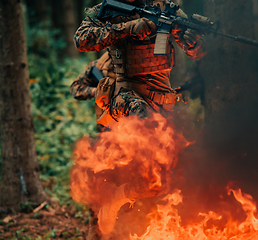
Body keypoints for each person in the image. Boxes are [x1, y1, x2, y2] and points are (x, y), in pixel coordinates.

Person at [72, 0, 206, 238]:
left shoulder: (165, 8)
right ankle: (97, 229)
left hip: (162, 102)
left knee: (161, 179)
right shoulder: (106, 12)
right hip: (126, 100)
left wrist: (195, 38)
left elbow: (195, 51)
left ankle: (121, 201)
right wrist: (129, 28)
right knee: (110, 167)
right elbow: (81, 40)